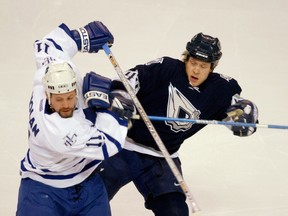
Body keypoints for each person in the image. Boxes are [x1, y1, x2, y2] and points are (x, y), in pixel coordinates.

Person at [98, 32, 259, 216]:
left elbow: (239, 110)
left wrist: (246, 118)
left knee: (175, 212)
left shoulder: (220, 90)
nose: (196, 70)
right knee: (86, 199)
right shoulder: (166, 68)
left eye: (203, 66)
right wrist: (122, 96)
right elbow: (129, 78)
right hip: (122, 150)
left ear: (212, 67)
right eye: (193, 63)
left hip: (163, 159)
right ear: (186, 58)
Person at [16, 21, 134, 216]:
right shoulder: (58, 131)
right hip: (43, 188)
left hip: (87, 182)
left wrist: (80, 37)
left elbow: (49, 44)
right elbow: (108, 143)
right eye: (59, 99)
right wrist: (113, 110)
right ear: (48, 95)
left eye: (71, 97)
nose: (66, 104)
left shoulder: (51, 71)